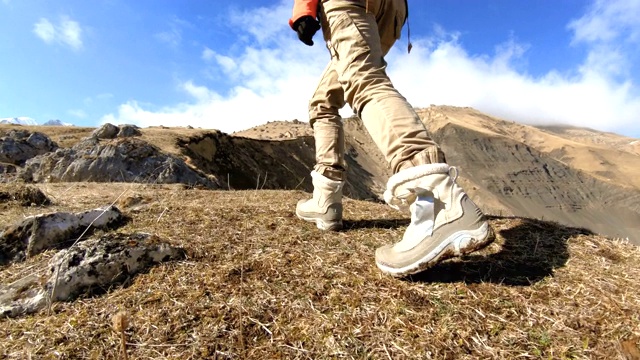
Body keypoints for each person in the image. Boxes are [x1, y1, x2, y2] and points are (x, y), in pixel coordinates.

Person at [289, 0, 493, 277]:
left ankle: (438, 200)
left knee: (363, 79)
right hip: (394, 10)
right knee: (323, 101)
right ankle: (326, 201)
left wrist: (303, 8)